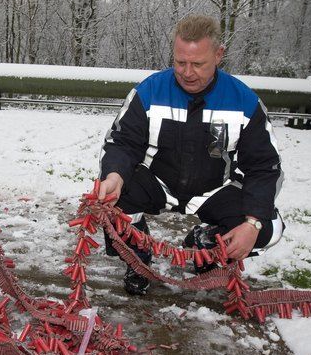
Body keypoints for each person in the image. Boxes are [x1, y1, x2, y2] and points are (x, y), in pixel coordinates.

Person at [97, 15, 284, 295]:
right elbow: (122, 143)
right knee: (110, 200)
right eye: (180, 62)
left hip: (214, 189)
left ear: (219, 55)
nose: (187, 72)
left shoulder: (244, 101)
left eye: (198, 64)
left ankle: (207, 244)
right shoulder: (149, 91)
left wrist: (253, 221)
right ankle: (138, 257)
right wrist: (113, 175)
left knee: (269, 228)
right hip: (157, 181)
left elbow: (264, 166)